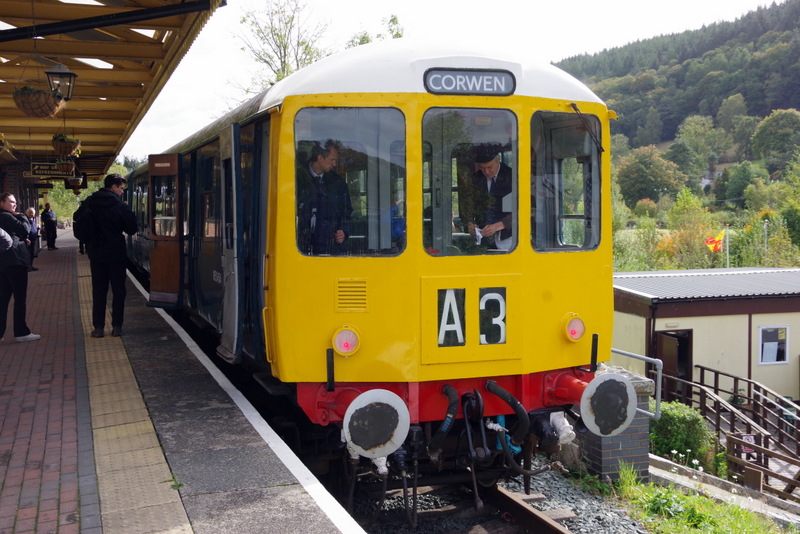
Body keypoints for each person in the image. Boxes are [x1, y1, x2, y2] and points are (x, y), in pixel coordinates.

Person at [83, 174, 138, 338]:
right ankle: (117, 327)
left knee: (99, 290)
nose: (122, 192)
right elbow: (131, 229)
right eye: (121, 188)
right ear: (113, 187)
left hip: (96, 253)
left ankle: (98, 328)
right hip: (116, 253)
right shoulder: (120, 206)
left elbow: (80, 224)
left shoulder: (89, 202)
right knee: (118, 290)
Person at [296, 139, 352, 255]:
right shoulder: (297, 179)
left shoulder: (338, 183)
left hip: (331, 247)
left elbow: (346, 211)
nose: (334, 164)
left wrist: (344, 230)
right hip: (300, 247)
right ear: (320, 158)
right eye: (332, 160)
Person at [0, 192, 40, 342]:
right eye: (11, 202)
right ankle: (21, 331)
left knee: (3, 298)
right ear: (2, 203)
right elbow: (25, 228)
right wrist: (23, 216)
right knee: (19, 297)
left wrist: (22, 240)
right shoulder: (6, 216)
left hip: (3, 262)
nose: (14, 205)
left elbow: (12, 235)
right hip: (15, 261)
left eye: (15, 202)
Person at [463, 145, 513, 251]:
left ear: (498, 160)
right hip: (482, 237)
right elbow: (467, 205)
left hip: (510, 237)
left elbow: (525, 208)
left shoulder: (513, 177)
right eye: (482, 168)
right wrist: (469, 223)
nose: (486, 172)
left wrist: (499, 225)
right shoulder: (476, 179)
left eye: (490, 167)